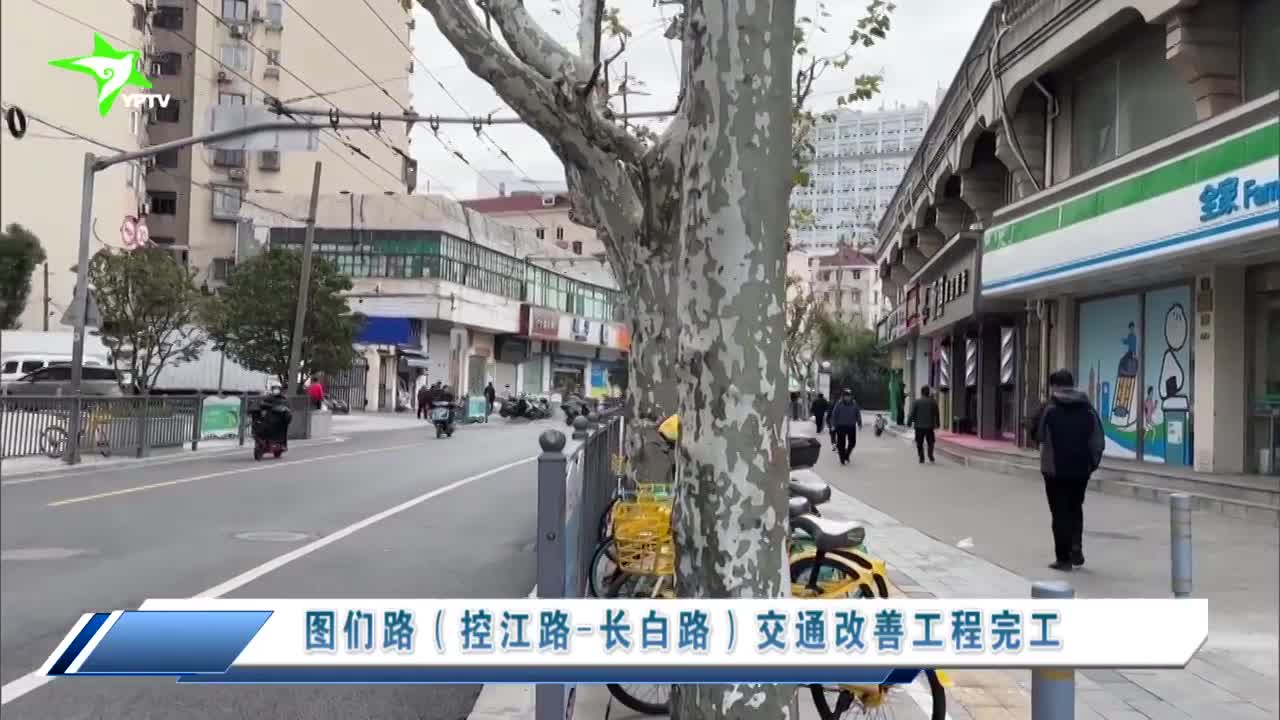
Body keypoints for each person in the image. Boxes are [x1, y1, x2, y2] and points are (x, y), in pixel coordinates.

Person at [1030, 369, 1105, 572]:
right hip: (1080, 471)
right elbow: (1098, 441)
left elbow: (1038, 435)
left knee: (1059, 513)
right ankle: (1076, 548)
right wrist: (1091, 465)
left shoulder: (1050, 408)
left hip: (1055, 471)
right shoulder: (1088, 409)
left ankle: (1063, 559)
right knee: (1075, 508)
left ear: (1054, 386)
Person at [827, 388, 863, 466]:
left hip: (851, 426)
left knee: (852, 443)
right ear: (843, 396)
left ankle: (847, 454)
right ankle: (842, 458)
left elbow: (858, 414)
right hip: (841, 426)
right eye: (846, 396)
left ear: (851, 396)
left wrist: (859, 423)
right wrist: (833, 425)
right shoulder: (839, 404)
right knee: (841, 444)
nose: (847, 397)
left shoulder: (854, 404)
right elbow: (834, 415)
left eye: (849, 396)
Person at [908, 385, 941, 463]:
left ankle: (921, 457)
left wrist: (909, 422)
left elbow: (912, 413)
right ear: (928, 393)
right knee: (931, 441)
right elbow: (937, 414)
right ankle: (930, 454)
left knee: (919, 442)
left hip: (919, 426)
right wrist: (938, 423)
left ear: (921, 392)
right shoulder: (933, 402)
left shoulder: (916, 402)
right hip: (930, 426)